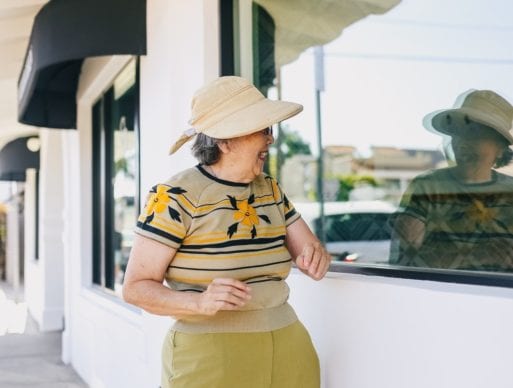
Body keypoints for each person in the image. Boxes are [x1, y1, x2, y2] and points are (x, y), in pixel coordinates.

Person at [122, 76, 331, 388]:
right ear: (225, 139)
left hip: (289, 345)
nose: (271, 140)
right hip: (210, 357)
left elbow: (309, 252)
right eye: (263, 129)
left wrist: (316, 257)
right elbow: (136, 288)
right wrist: (197, 303)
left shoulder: (270, 190)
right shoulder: (174, 195)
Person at [390, 89, 513, 271]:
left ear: (500, 148)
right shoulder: (428, 186)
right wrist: (483, 254)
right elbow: (406, 258)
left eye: (476, 134)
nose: (462, 142)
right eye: (458, 133)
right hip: (439, 294)